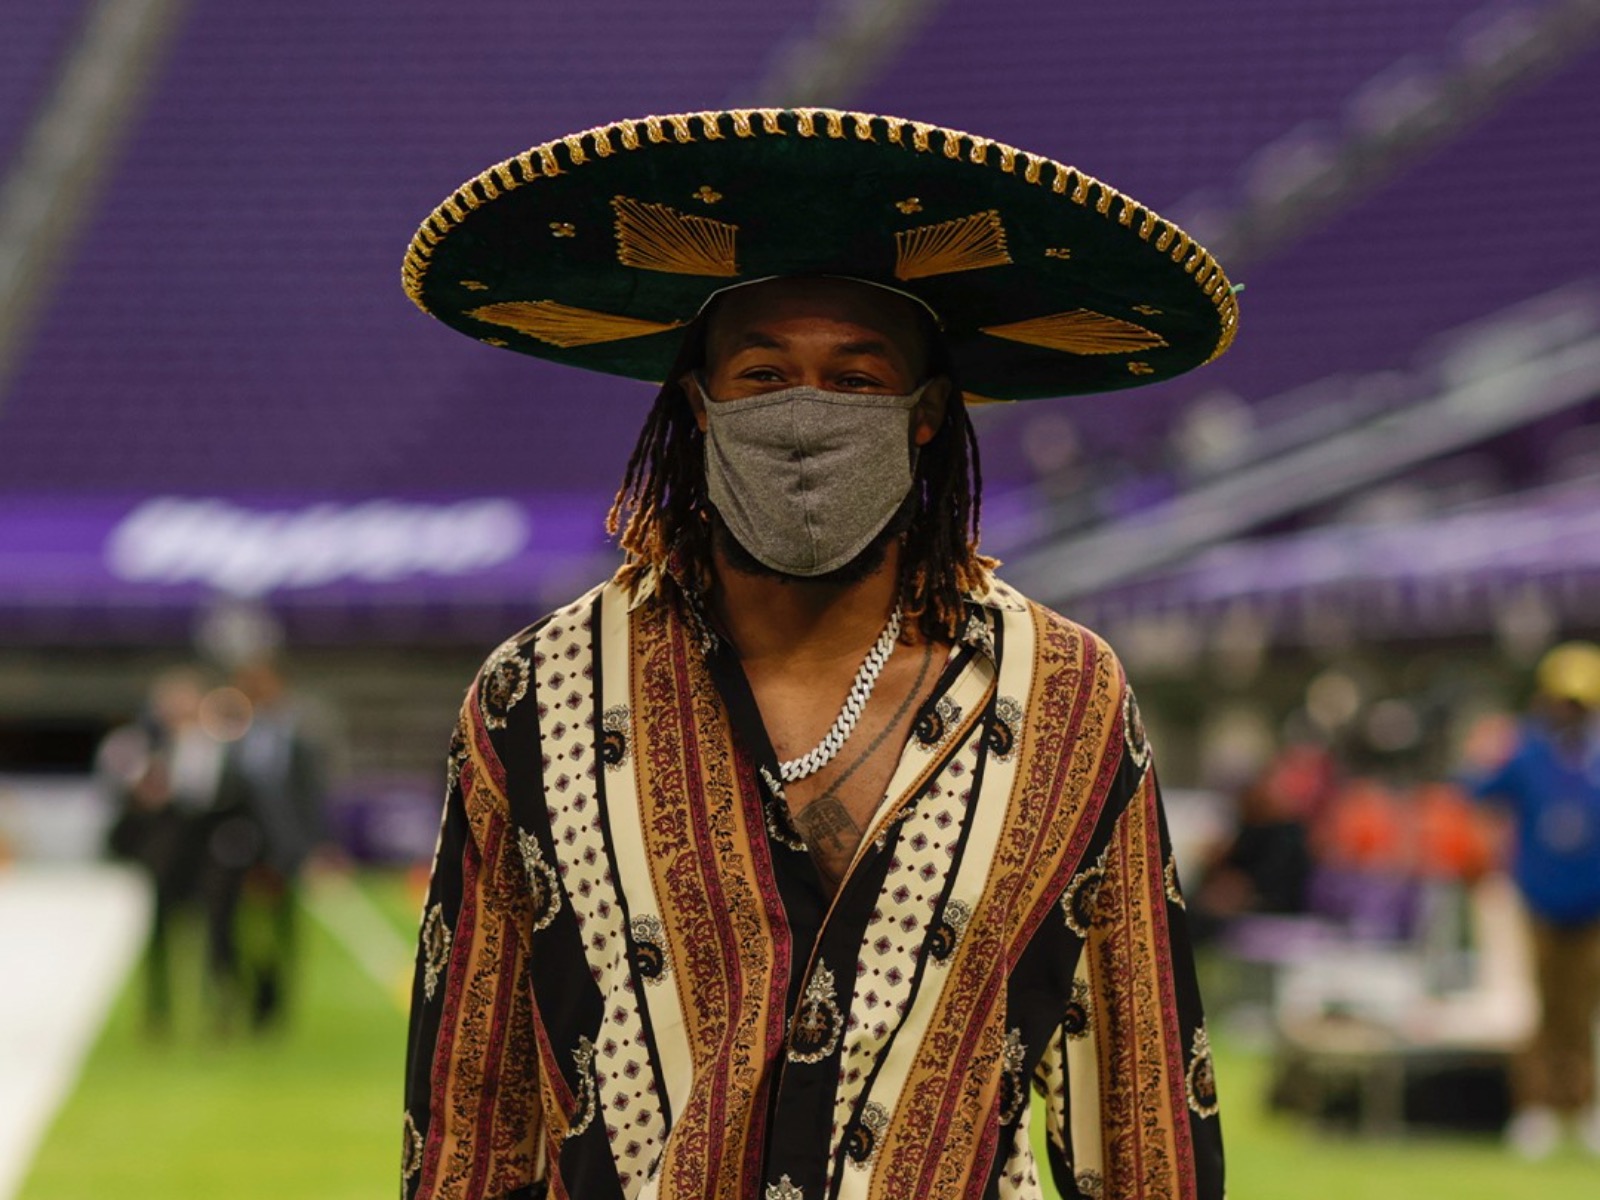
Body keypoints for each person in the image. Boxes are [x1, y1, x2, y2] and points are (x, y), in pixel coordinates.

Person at [399, 107, 1239, 1199]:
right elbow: (472, 1117)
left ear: (927, 412)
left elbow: (1143, 1115)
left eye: (854, 378)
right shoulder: (534, 696)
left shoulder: (1067, 694)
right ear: (697, 407)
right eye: (761, 375)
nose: (804, 414)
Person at [1468, 641, 1600, 1159]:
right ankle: (1538, 1108)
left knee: (1582, 1008)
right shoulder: (1527, 753)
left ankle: (1583, 1105)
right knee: (1541, 1006)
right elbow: (1480, 793)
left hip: (1592, 903)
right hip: (1540, 900)